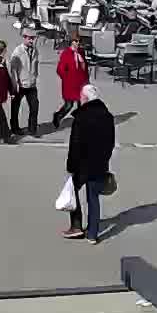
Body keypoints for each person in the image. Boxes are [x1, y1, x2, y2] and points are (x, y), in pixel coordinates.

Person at [63, 84, 115, 242]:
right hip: (99, 163)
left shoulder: (82, 116)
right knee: (93, 197)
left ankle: (76, 226)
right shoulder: (107, 116)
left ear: (85, 98)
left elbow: (75, 144)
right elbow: (110, 142)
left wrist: (71, 166)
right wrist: (105, 159)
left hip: (82, 164)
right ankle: (93, 234)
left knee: (72, 190)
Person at [6, 29, 42, 137]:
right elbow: (13, 70)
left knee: (34, 106)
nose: (31, 41)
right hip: (20, 85)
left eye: (33, 39)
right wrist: (15, 84)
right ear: (24, 38)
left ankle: (32, 130)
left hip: (31, 84)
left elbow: (35, 65)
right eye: (30, 38)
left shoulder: (35, 51)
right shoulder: (18, 52)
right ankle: (15, 128)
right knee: (15, 107)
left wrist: (35, 77)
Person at [53, 34, 89, 129]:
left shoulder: (81, 52)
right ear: (72, 42)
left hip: (81, 83)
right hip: (70, 84)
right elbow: (60, 70)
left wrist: (86, 80)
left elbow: (85, 68)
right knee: (69, 105)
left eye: (79, 41)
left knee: (82, 105)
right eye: (76, 41)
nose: (78, 43)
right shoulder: (66, 53)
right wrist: (67, 78)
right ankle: (58, 116)